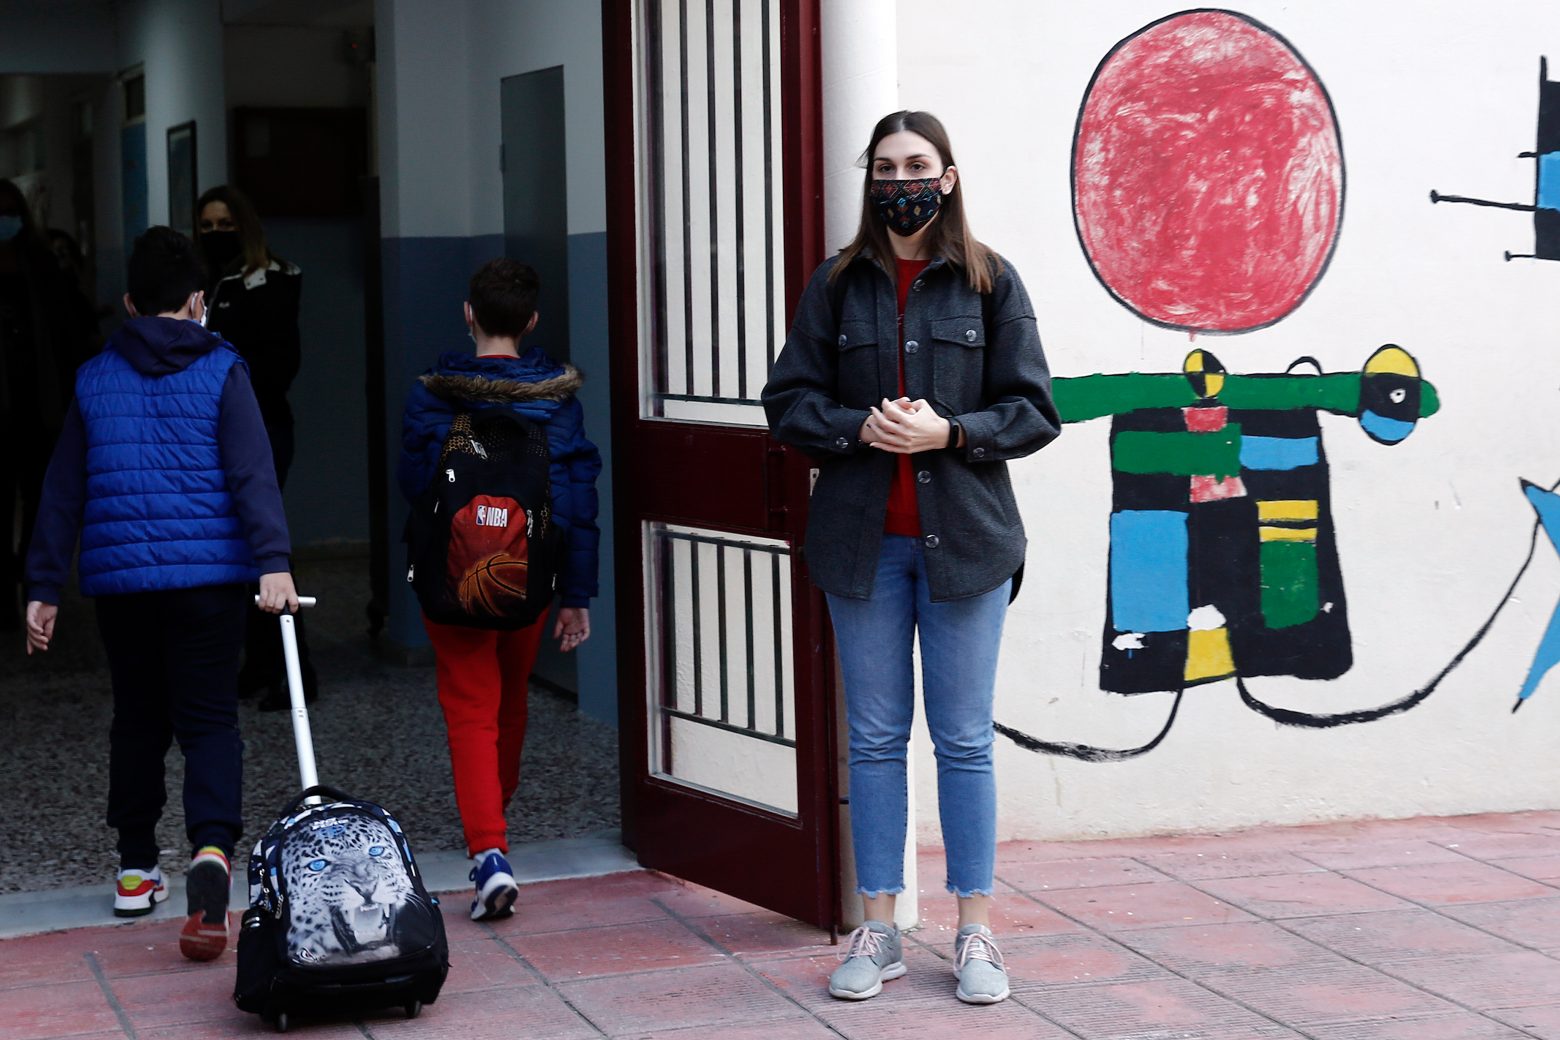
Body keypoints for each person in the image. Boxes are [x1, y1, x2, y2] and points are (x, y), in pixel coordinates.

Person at [761, 111, 1060, 1005]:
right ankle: (879, 928)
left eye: (917, 165)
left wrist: (951, 431)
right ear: (872, 180)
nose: (901, 182)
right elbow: (787, 401)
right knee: (875, 739)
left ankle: (975, 931)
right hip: (863, 549)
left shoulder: (990, 281)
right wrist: (857, 428)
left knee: (964, 740)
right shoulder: (836, 284)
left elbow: (1034, 411)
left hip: (967, 546)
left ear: (948, 177)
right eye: (886, 168)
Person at [24, 226, 299, 962]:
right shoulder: (224, 370)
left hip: (123, 589)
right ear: (200, 301)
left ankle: (135, 868)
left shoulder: (92, 379)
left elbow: (61, 491)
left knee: (138, 722)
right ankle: (211, 852)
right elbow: (252, 472)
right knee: (209, 724)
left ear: (128, 303)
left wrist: (43, 584)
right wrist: (273, 561)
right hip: (208, 582)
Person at [397, 258, 601, 921]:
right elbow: (576, 505)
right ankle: (493, 824)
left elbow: (414, 485)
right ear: (532, 321)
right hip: (527, 576)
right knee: (510, 702)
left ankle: (489, 849)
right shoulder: (558, 403)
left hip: (451, 577)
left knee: (470, 708)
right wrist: (576, 595)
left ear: (468, 314)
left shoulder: (434, 397)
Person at [195, 185, 315, 710]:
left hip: (263, 428)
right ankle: (262, 663)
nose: (216, 233)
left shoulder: (273, 279)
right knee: (240, 549)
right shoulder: (205, 280)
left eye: (225, 224)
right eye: (207, 225)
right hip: (218, 431)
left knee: (266, 546)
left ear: (244, 225)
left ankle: (297, 671)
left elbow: (279, 363)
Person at [0, 181, 95, 628]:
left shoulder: (41, 265)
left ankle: (31, 577)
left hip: (39, 405)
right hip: (7, 405)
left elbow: (67, 331)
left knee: (40, 499)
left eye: (9, 213)